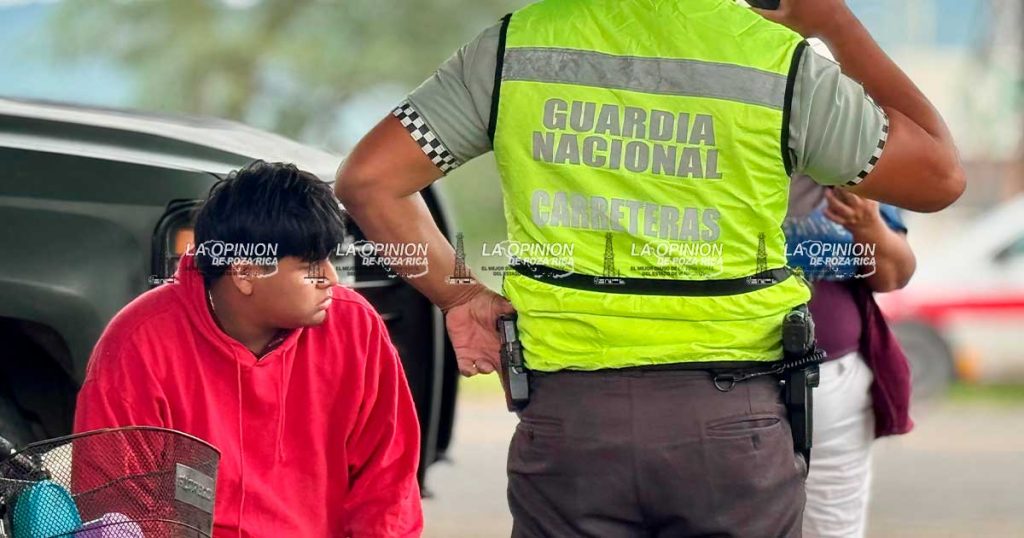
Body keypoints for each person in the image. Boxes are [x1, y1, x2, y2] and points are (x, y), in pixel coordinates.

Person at [336, 0, 963, 535]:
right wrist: (834, 22)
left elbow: (368, 180)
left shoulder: (514, 46)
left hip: (568, 427)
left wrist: (458, 295)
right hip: (733, 426)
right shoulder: (779, 63)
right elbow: (938, 176)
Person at [74, 161, 423, 537]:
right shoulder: (138, 343)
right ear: (244, 273)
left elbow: (388, 480)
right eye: (310, 266)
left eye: (329, 259)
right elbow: (115, 508)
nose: (332, 279)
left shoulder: (355, 326)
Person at [785, 178, 916, 538]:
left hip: (832, 387)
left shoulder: (851, 155)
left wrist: (868, 225)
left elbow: (894, 273)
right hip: (723, 381)